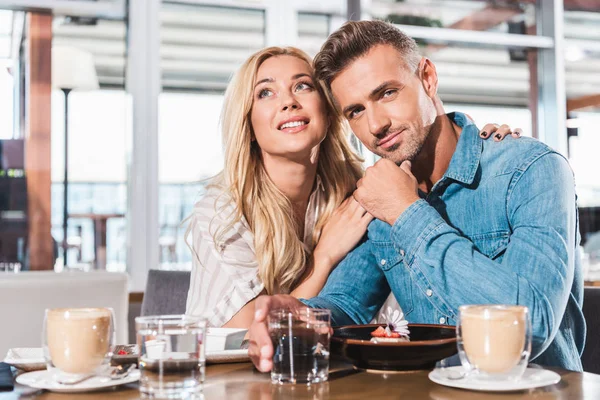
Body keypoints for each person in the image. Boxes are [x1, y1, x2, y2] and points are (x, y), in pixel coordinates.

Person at [248, 20, 585, 372]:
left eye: (387, 93)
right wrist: (298, 317)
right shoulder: (379, 196)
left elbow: (532, 327)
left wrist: (407, 213)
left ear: (427, 77)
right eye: (356, 111)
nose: (376, 124)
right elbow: (346, 303)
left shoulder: (532, 169)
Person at [184, 46, 518, 329]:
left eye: (302, 86)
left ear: (330, 113)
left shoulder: (357, 189)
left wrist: (477, 143)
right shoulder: (222, 213)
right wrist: (325, 256)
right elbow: (242, 335)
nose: (288, 102)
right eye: (265, 92)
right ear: (249, 125)